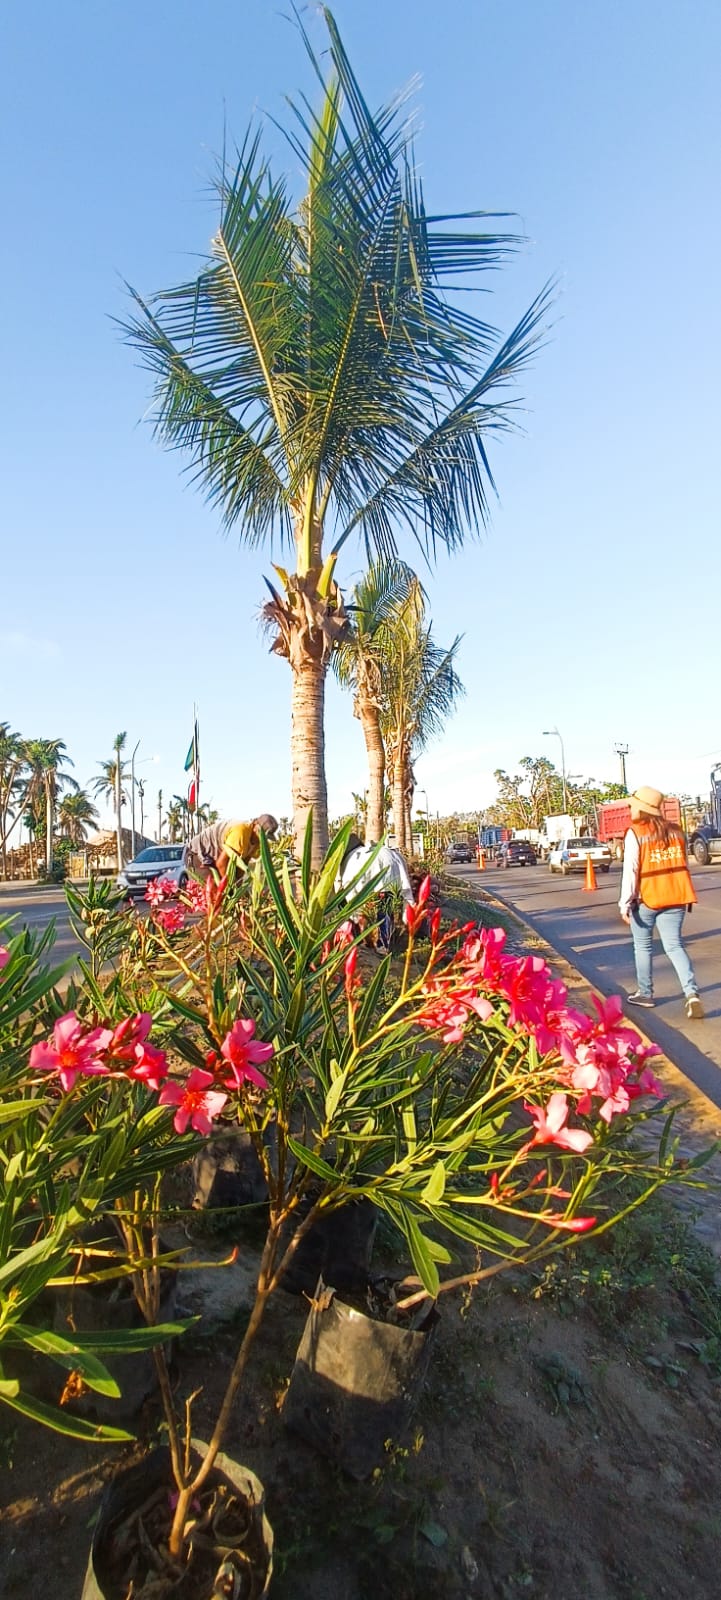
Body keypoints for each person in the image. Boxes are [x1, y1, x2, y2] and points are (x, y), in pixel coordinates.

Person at [618, 786, 703, 1019]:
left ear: (641, 809)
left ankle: (645, 994)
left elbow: (631, 870)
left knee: (643, 947)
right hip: (676, 897)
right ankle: (692, 994)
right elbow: (681, 862)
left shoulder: (635, 832)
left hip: (647, 899)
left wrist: (625, 903)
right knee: (674, 946)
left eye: (632, 806)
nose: (630, 809)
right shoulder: (676, 831)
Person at [336, 833, 415, 949]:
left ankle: (365, 943)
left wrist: (354, 917)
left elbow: (350, 888)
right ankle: (385, 945)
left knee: (380, 913)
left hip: (375, 884)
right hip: (390, 883)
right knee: (385, 912)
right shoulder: (387, 851)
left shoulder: (352, 858)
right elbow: (405, 883)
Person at [186, 815, 278, 877]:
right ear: (255, 825)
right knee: (212, 892)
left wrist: (238, 886)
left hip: (216, 858)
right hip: (198, 854)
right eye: (261, 834)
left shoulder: (257, 842)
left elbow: (243, 865)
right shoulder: (241, 832)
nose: (263, 839)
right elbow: (221, 864)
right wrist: (230, 889)